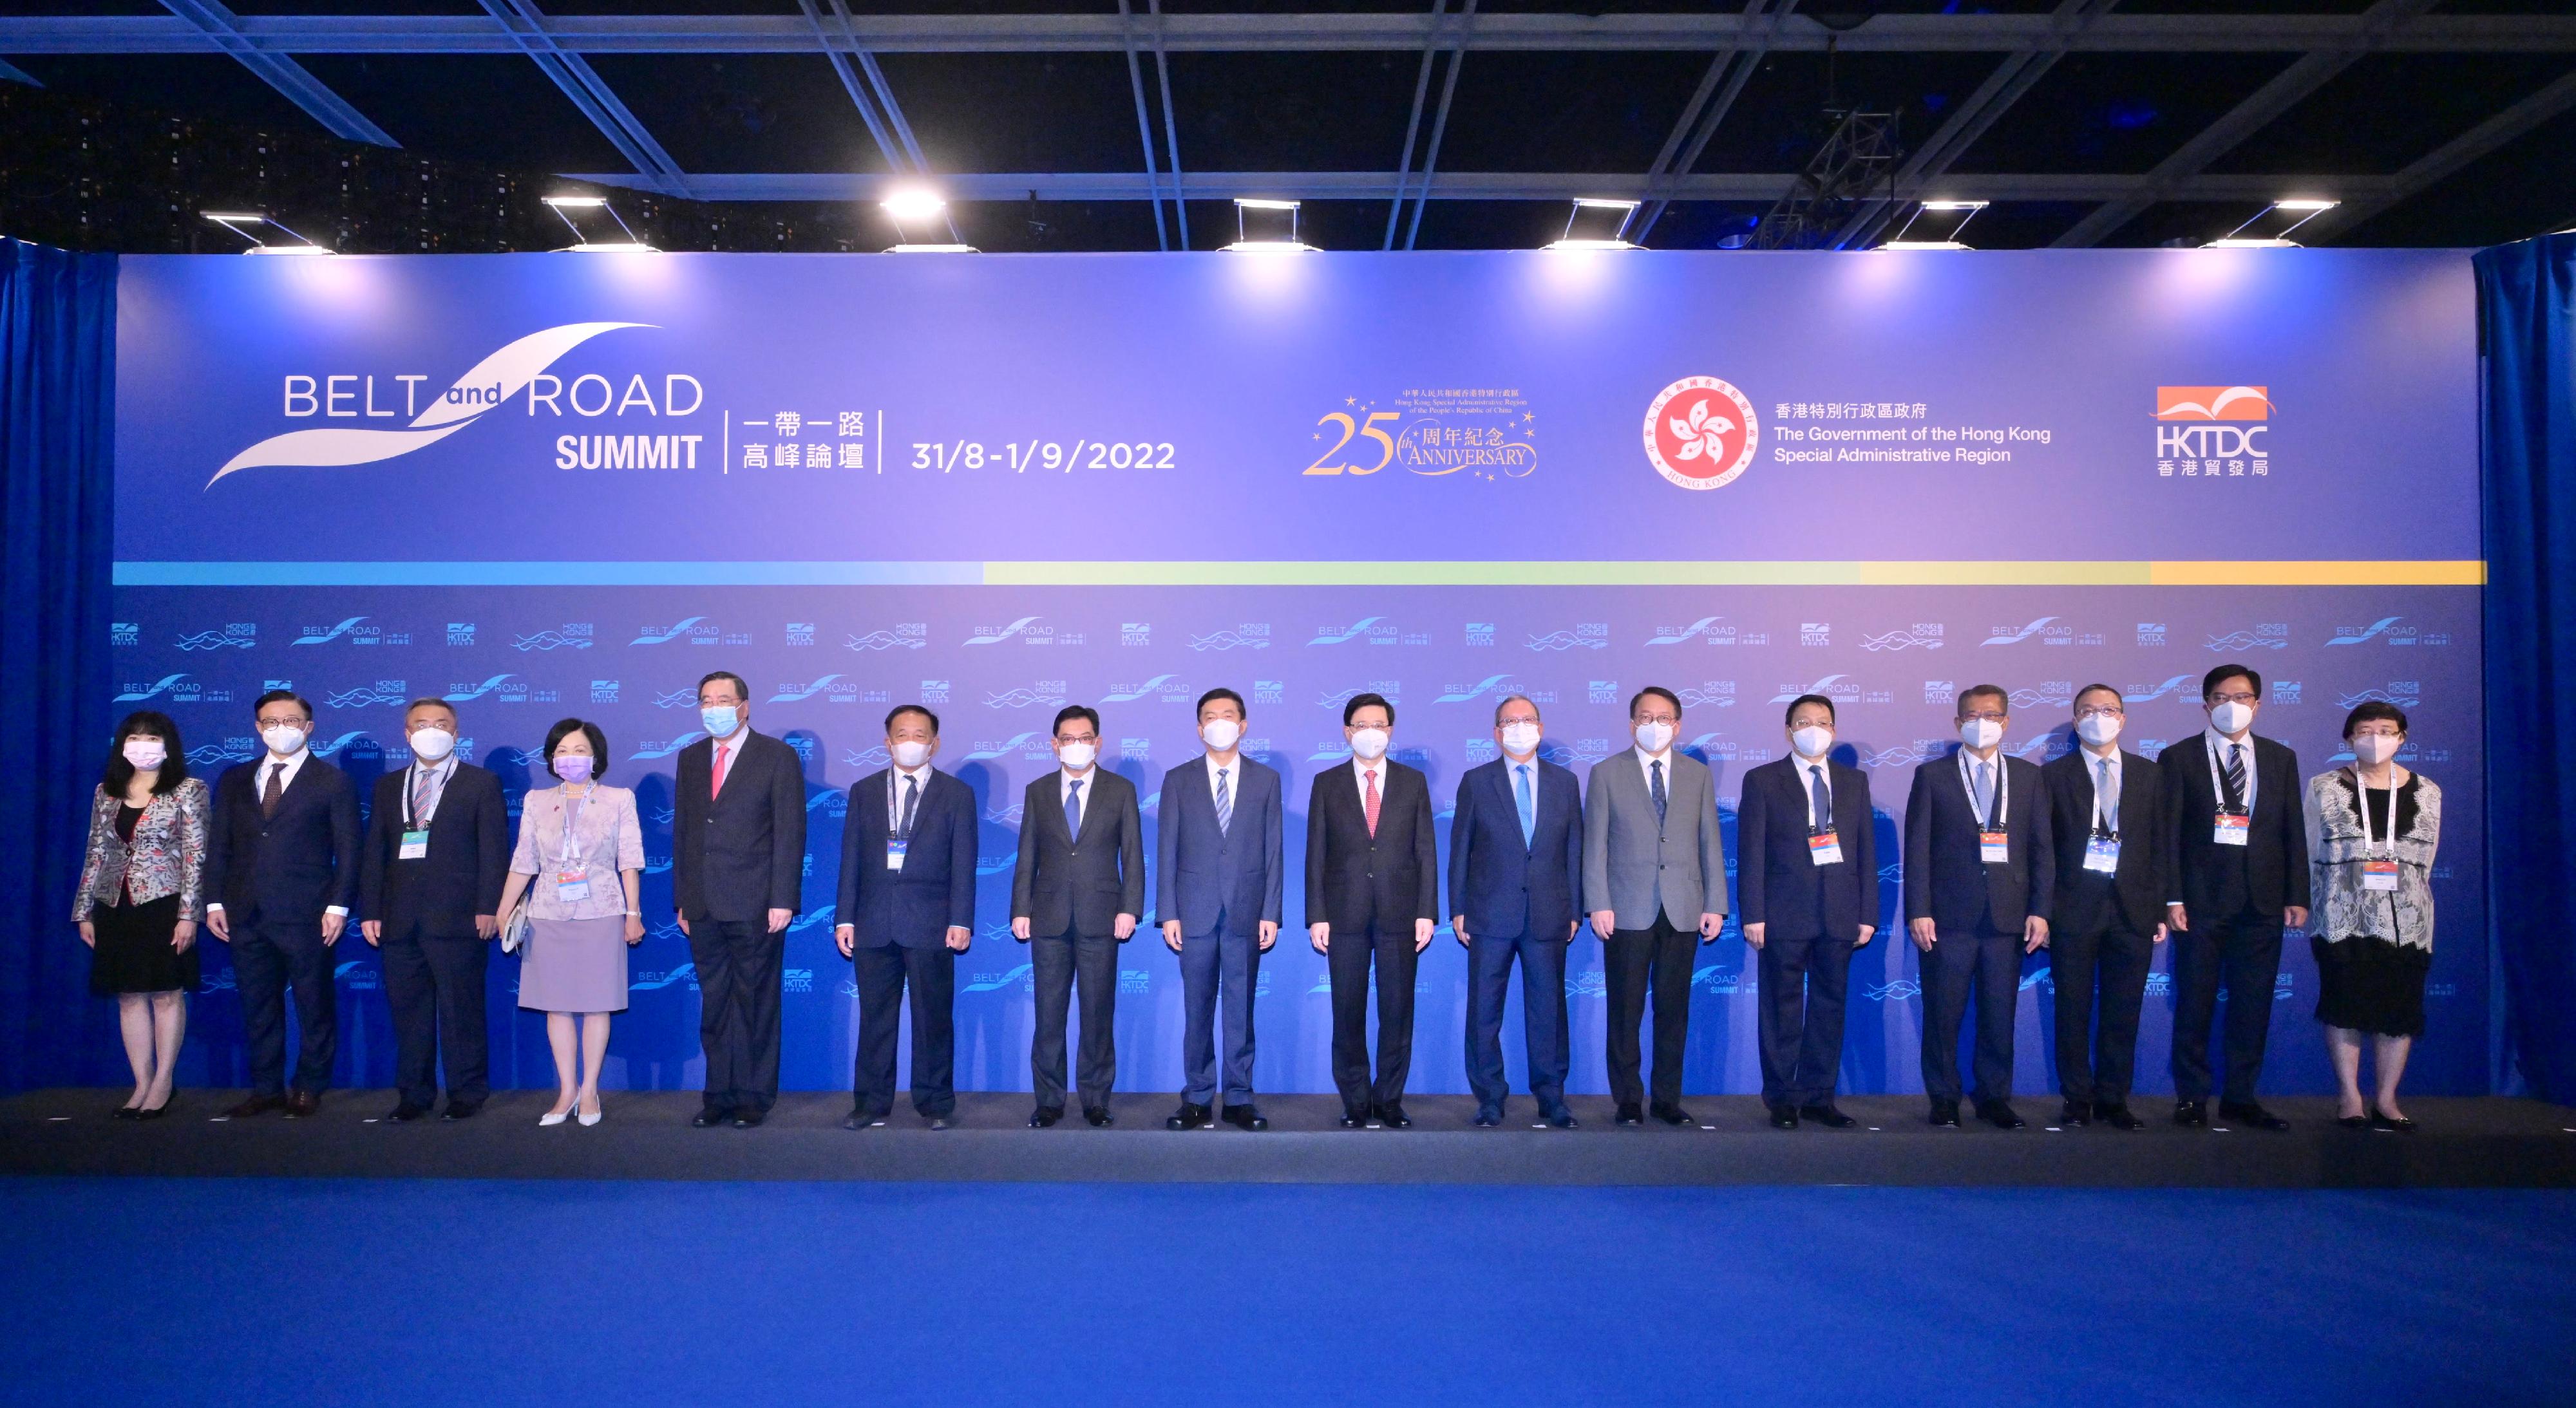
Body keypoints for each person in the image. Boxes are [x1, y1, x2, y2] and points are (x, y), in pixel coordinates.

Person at [2159, 663, 2309, 1131]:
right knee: (2195, 1002)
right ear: (2205, 705)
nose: (2232, 705)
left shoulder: (2280, 757)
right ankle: (2192, 1096)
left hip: (2261, 902)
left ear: (2258, 704)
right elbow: (2168, 835)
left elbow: (2291, 830)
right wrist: (2172, 897)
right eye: (2221, 697)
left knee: (2254, 1003)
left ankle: (2241, 1096)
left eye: (2242, 697)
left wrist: (2296, 893)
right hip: (2200, 902)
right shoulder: (2178, 757)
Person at [204, 690, 359, 1118]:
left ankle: (309, 1085)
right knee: (257, 1005)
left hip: (308, 913)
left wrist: (339, 906)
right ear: (257, 727)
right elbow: (220, 844)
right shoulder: (235, 778)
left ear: (308, 727)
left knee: (313, 1003)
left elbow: (349, 850)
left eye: (290, 720)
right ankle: (266, 1087)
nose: (280, 728)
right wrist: (214, 899)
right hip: (245, 911)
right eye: (270, 721)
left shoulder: (332, 780)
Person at [1904, 684, 2052, 1130]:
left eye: (1990, 715)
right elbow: (1918, 849)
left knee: (1999, 1013)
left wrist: (2041, 909)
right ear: (1957, 723)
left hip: (2008, 918)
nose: (1981, 722)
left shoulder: (2028, 777)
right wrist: (1919, 908)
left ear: (2006, 723)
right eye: (1971, 715)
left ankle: (1994, 1097)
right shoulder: (1933, 776)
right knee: (1943, 1013)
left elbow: (2042, 848)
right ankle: (1944, 1097)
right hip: (1948, 918)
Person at [357, 698, 507, 1123]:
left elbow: (494, 850)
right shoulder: (388, 786)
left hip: (459, 917)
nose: (432, 730)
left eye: (442, 724)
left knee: (462, 1011)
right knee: (409, 1014)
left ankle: (467, 1091)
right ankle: (414, 1093)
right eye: (422, 724)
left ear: (456, 734)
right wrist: (370, 909)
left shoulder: (481, 783)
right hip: (399, 919)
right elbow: (375, 854)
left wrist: (488, 906)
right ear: (407, 734)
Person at [1583, 686, 1727, 1128]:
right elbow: (1596, 845)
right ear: (1631, 724)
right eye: (1645, 717)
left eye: (1664, 717)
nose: (1654, 724)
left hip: (1684, 906)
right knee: (1625, 1010)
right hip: (1625, 907)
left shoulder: (1697, 775)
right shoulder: (1607, 772)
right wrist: (1598, 903)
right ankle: (1628, 1100)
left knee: (1673, 1010)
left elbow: (1709, 842)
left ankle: (1667, 1099)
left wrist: (1716, 903)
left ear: (1678, 725)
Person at [1736, 693, 1878, 1130]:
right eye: (1803, 721)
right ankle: (1781, 1097)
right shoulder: (1762, 780)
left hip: (1839, 912)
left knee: (1829, 1007)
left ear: (1834, 731)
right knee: (1781, 1008)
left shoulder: (1854, 782)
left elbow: (1865, 852)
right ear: (1788, 730)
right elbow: (1752, 851)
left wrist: (1867, 912)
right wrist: (1753, 912)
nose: (1813, 728)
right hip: (1782, 913)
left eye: (1822, 721)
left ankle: (1819, 1095)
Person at [671, 671, 806, 1129]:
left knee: (755, 1001)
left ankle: (753, 1096)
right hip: (704, 903)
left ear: (745, 706)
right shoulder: (690, 758)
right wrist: (683, 899)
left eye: (724, 699)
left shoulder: (776, 756)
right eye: (706, 699)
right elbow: (686, 833)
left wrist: (783, 898)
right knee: (715, 1002)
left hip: (756, 901)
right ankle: (718, 1095)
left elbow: (790, 832)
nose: (714, 707)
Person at [835, 705, 976, 1131]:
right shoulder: (864, 790)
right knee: (876, 1018)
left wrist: (962, 919)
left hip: (932, 923)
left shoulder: (956, 794)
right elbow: (851, 859)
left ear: (934, 743)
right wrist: (845, 918)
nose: (910, 741)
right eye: (901, 734)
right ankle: (871, 1103)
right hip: (874, 920)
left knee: (933, 1016)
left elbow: (963, 863)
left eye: (919, 734)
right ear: (887, 741)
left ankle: (935, 1103)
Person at [498, 719, 645, 1127]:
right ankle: (565, 1090)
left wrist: (633, 913)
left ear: (596, 756)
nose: (570, 758)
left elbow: (629, 860)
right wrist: (503, 909)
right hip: (547, 912)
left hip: (602, 909)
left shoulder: (619, 799)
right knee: (557, 1006)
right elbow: (524, 861)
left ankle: (590, 1090)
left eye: (578, 750)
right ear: (550, 758)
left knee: (597, 1005)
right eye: (561, 751)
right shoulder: (536, 800)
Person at [1448, 694, 1582, 1129]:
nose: (1518, 727)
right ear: (1496, 732)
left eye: (1526, 719)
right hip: (1489, 913)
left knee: (1548, 1010)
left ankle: (1551, 1097)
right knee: (1484, 1011)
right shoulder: (1476, 781)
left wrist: (1575, 907)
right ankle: (1489, 1097)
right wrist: (1459, 907)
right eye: (1509, 720)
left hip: (1548, 912)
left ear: (1540, 729)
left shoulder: (1566, 782)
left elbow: (1574, 850)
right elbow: (1461, 849)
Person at [2305, 702, 2440, 1132]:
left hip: (2408, 919)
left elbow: (2429, 858)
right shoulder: (2323, 786)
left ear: (2403, 737)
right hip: (2342, 913)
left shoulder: (2428, 790)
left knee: (2399, 1008)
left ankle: (2387, 1097)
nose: (2376, 737)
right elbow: (2310, 849)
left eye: (2387, 729)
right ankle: (2350, 1096)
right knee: (2344, 1005)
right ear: (2348, 738)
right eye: (2365, 729)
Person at [2040, 684, 2170, 1131]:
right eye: (2089, 710)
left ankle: (2115, 1098)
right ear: (2076, 721)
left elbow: (2161, 846)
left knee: (2124, 1009)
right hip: (2072, 908)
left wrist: (2159, 908)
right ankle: (2076, 1098)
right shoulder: (2051, 776)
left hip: (2133, 909)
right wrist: (2045, 908)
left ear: (2124, 718)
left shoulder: (2150, 774)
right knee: (2072, 1009)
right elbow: (2044, 849)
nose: (2100, 716)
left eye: (2109, 709)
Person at [1306, 691, 1438, 1128]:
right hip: (1343, 915)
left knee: (1398, 1011)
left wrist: (1427, 910)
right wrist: (1316, 914)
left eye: (1379, 724)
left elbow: (1425, 850)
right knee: (1347, 1010)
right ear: (1347, 732)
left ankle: (1390, 1099)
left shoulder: (1412, 782)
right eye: (1361, 725)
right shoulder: (1326, 783)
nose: (1371, 732)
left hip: (1401, 914)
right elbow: (1316, 855)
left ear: (1391, 731)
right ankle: (1356, 1101)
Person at [1156, 688, 1284, 1132]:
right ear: (1199, 727)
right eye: (1210, 715)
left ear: (1243, 724)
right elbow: (1167, 849)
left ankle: (1239, 1096)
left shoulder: (1266, 780)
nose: (1219, 721)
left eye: (1228, 715)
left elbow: (1273, 852)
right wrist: (1167, 912)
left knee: (1240, 1007)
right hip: (1193, 912)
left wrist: (1271, 911)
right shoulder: (1178, 779)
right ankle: (1196, 1096)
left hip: (1247, 911)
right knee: (1197, 1008)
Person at [1010, 704, 1144, 1127]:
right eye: (1068, 739)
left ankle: (1095, 1100)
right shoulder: (1038, 790)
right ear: (1054, 745)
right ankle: (1049, 1100)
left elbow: (1133, 856)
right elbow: (1026, 854)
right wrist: (1019, 909)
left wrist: (1130, 908)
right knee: (1048, 1014)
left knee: (1097, 1013)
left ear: (1098, 742)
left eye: (1085, 737)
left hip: (1102, 916)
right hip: (1047, 917)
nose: (1076, 745)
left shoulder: (1120, 790)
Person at [73, 711, 210, 1119]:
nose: (143, 745)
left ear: (168, 745)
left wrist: (190, 915)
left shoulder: (190, 789)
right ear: (122, 745)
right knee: (129, 995)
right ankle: (141, 1083)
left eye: (152, 738)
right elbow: (96, 851)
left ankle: (164, 1082)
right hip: (115, 905)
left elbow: (196, 855)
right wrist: (84, 912)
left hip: (165, 903)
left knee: (167, 993)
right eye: (134, 737)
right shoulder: (107, 791)